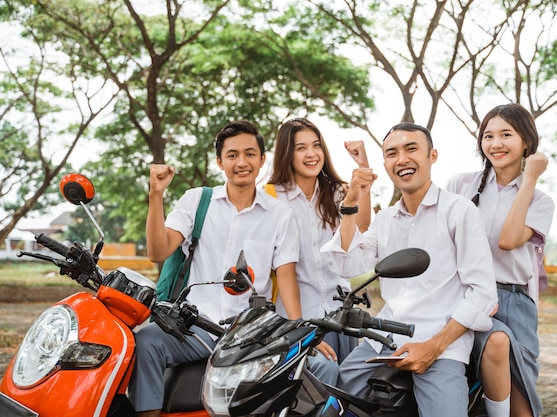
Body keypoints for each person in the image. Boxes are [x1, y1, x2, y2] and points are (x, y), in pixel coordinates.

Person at [321, 122, 498, 417]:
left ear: (432, 156)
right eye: (392, 153)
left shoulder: (459, 211)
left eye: (411, 149)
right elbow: (349, 265)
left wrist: (433, 346)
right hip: (386, 339)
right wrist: (350, 204)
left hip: (442, 344)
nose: (401, 159)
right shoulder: (386, 218)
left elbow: (482, 294)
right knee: (335, 399)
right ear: (386, 164)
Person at [130, 120, 302, 417]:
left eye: (250, 154)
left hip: (248, 335)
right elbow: (157, 251)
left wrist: (300, 330)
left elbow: (286, 278)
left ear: (262, 159)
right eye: (232, 155)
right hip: (194, 327)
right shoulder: (197, 200)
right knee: (146, 340)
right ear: (220, 162)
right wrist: (155, 194)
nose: (242, 162)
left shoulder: (280, 215)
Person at [446, 103, 554, 417]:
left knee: (520, 405)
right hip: (464, 295)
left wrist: (529, 178)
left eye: (506, 134)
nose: (495, 144)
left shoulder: (541, 201)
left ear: (527, 143)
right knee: (458, 383)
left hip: (513, 302)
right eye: (488, 136)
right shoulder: (461, 185)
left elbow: (508, 240)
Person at [267, 118, 372, 384]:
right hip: (298, 318)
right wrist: (299, 328)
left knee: (347, 390)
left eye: (316, 146)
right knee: (318, 385)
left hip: (341, 314)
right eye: (300, 148)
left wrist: (363, 169)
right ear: (286, 154)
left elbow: (362, 226)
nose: (311, 154)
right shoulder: (270, 197)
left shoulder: (336, 192)